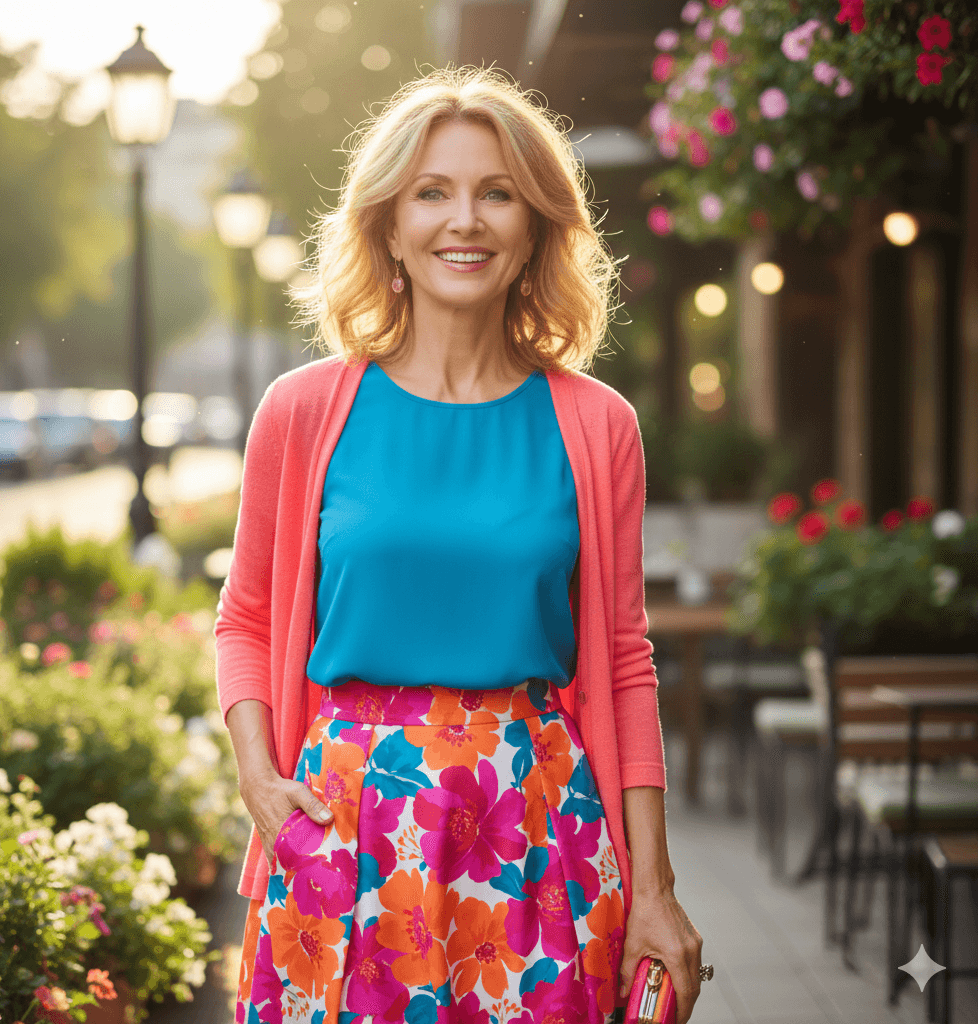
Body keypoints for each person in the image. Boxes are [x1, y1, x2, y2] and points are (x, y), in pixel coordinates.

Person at [215, 66, 707, 1024]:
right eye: (432, 193)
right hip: (346, 832)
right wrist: (259, 782)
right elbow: (246, 618)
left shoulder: (597, 425)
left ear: (535, 230)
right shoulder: (302, 411)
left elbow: (623, 660)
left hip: (538, 831)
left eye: (497, 194)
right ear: (390, 227)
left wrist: (654, 888)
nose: (465, 220)